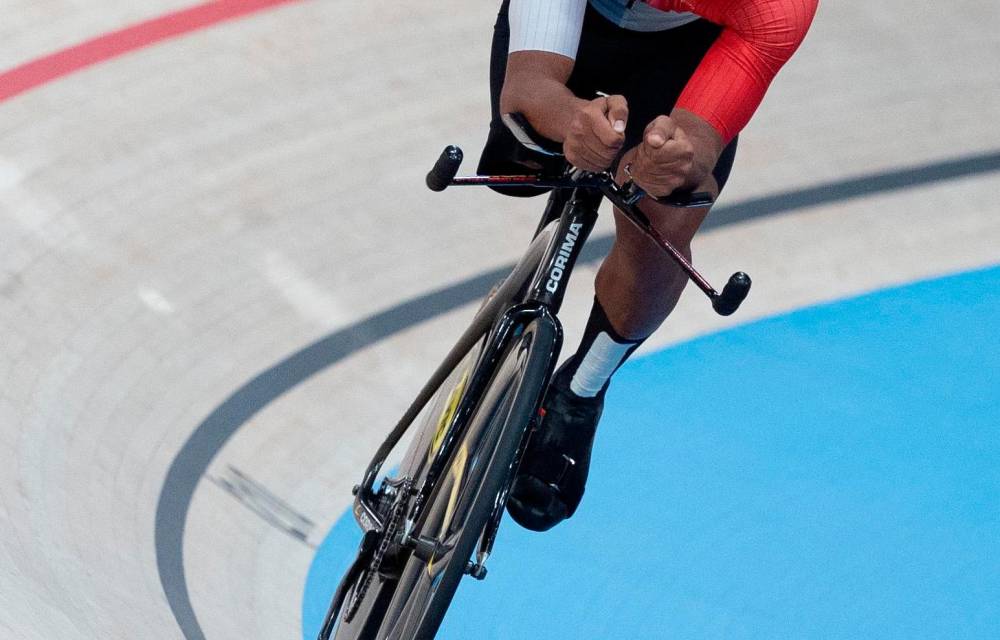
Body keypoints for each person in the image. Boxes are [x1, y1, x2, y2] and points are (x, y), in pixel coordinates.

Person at [478, 0, 819, 531]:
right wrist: (573, 123)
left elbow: (695, 144)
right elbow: (530, 87)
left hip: (692, 45)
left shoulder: (776, 6)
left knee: (665, 217)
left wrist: (665, 161)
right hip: (576, 16)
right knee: (526, 146)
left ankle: (581, 392)